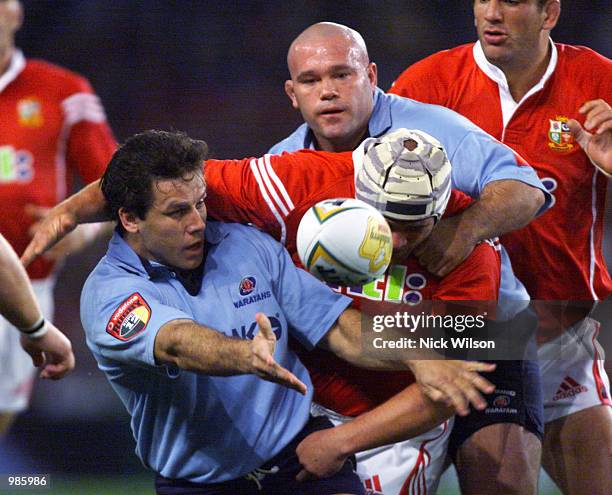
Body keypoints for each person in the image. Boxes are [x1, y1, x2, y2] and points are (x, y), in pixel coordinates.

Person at [22, 127, 510, 494]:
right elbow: (176, 342)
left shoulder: (246, 244)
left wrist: (419, 353)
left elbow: (340, 328)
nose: (198, 222)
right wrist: (243, 355)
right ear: (129, 218)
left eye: (201, 203)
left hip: (300, 456)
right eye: (177, 212)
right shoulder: (108, 294)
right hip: (200, 483)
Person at [268, 22, 549, 493]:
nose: (329, 92)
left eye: (342, 74)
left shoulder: (429, 130)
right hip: (380, 342)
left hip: (482, 330)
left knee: (500, 482)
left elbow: (526, 189)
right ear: (292, 93)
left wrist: (461, 231)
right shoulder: (282, 167)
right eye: (312, 81)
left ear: (372, 75)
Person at [389, 1, 612, 494]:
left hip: (556, 334)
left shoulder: (600, 83)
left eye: (510, 0)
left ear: (548, 12)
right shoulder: (425, 85)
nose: (491, 13)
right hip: (445, 336)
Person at [0, 0, 116, 433]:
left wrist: (79, 232)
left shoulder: (63, 92)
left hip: (27, 289)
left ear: (16, 12)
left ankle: (26, 483)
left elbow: (116, 186)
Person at [0, 233, 75, 434]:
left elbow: (119, 207)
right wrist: (36, 329)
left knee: (5, 410)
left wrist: (85, 228)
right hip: (16, 294)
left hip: (33, 293)